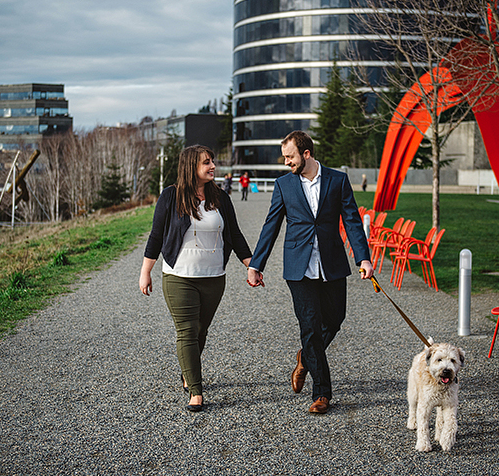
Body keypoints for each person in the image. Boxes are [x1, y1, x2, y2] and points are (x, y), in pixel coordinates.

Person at [247, 130, 373, 415]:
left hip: (332, 264)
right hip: (298, 266)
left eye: (289, 156)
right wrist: (256, 264)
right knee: (310, 326)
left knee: (335, 320)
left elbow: (352, 221)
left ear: (306, 154)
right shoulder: (283, 185)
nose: (285, 162)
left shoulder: (337, 180)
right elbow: (271, 226)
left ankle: (305, 357)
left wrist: (363, 259)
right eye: (284, 157)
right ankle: (322, 393)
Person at [139, 145, 252, 412]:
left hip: (214, 277)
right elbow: (156, 236)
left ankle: (187, 372)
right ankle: (196, 390)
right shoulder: (171, 196)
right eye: (206, 162)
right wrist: (146, 272)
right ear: (191, 166)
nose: (212, 166)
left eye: (212, 161)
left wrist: (252, 265)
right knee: (187, 331)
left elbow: (235, 235)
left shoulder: (221, 198)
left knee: (201, 330)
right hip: (179, 276)